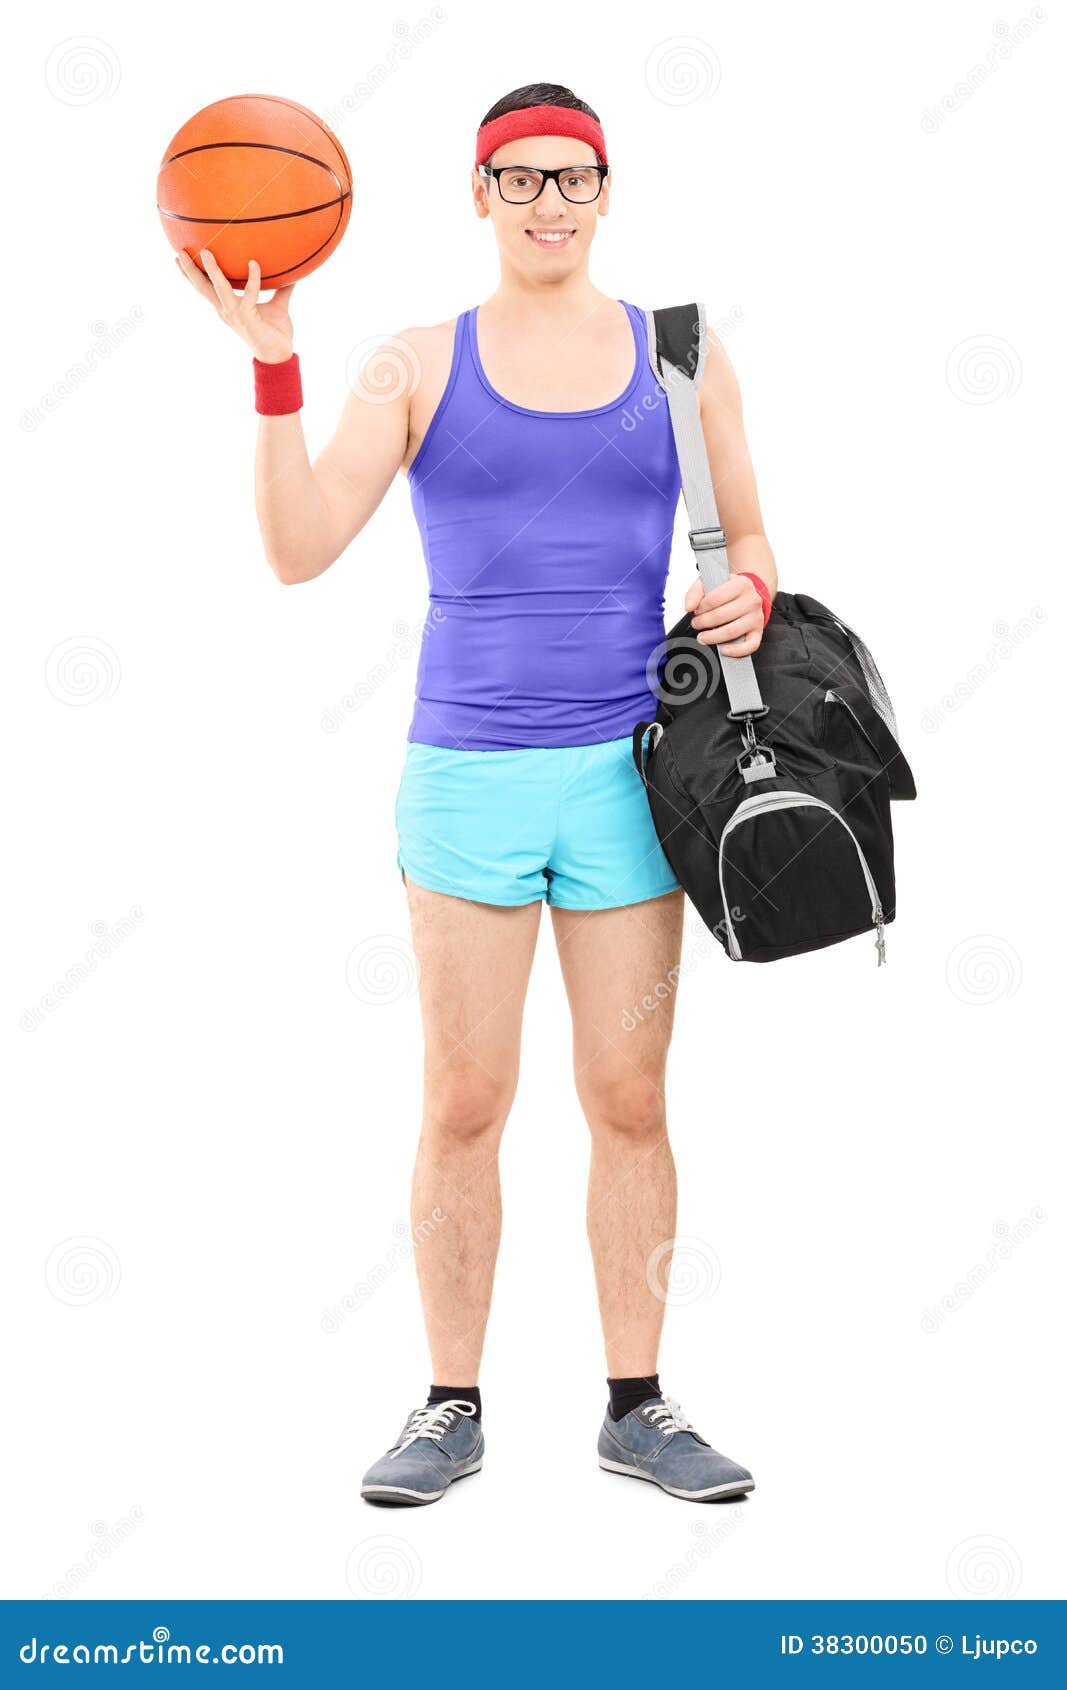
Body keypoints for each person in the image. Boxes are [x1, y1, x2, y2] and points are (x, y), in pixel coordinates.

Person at [176, 81, 777, 1507]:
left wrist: (744, 589)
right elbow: (298, 546)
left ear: (607, 191)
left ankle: (638, 1402)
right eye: (523, 181)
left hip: (636, 776)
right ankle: (451, 1403)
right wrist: (274, 370)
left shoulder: (683, 357)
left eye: (574, 178)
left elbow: (748, 533)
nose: (551, 202)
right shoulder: (410, 365)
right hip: (465, 780)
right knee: (463, 1096)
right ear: (481, 197)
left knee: (628, 1094)